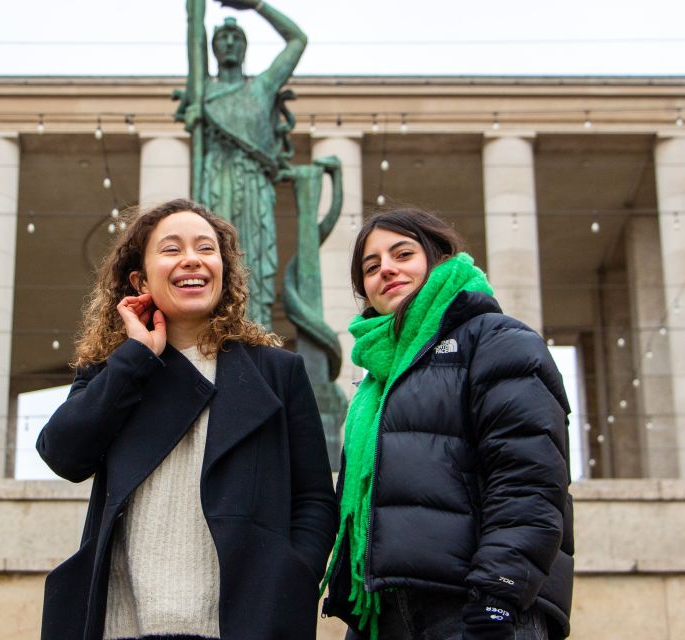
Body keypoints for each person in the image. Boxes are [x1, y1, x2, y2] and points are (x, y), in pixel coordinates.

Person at [36, 198, 338, 640]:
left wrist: (292, 579)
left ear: (224, 270)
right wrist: (136, 357)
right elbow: (63, 454)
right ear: (139, 279)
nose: (191, 259)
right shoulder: (113, 370)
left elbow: (313, 499)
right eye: (172, 249)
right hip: (124, 625)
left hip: (243, 624)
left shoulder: (277, 372)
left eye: (206, 248)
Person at [321, 208, 574, 640]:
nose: (387, 269)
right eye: (371, 266)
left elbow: (527, 478)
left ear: (437, 259)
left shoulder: (497, 340)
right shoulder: (377, 379)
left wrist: (499, 593)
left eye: (402, 253)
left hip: (474, 604)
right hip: (385, 611)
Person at [180, 0, 307, 327]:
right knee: (215, 255)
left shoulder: (262, 87)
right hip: (215, 178)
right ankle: (215, 332)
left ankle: (254, 334)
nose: (230, 43)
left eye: (237, 37)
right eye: (222, 38)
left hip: (252, 182)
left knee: (253, 262)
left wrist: (258, 6)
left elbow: (298, 40)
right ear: (213, 48)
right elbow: (194, 32)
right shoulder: (204, 89)